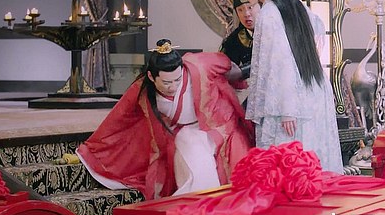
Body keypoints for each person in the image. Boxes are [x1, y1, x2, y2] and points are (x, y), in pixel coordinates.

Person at [74, 39, 254, 199]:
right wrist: (92, 150)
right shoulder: (142, 89)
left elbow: (226, 64)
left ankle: (202, 202)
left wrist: (237, 78)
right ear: (151, 77)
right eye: (167, 83)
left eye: (177, 80)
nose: (173, 86)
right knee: (191, 151)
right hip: (184, 131)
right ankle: (196, 202)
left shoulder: (199, 65)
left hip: (221, 125)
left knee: (242, 176)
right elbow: (118, 119)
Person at [236, 0, 344, 173]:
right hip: (311, 91)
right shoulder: (289, 4)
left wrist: (287, 109)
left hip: (290, 102)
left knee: (287, 164)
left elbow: (281, 61)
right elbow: (317, 26)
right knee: (313, 158)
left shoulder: (269, 13)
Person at [219, 0, 260, 75]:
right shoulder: (232, 41)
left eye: (250, 7)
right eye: (240, 10)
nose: (246, 14)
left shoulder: (275, 33)